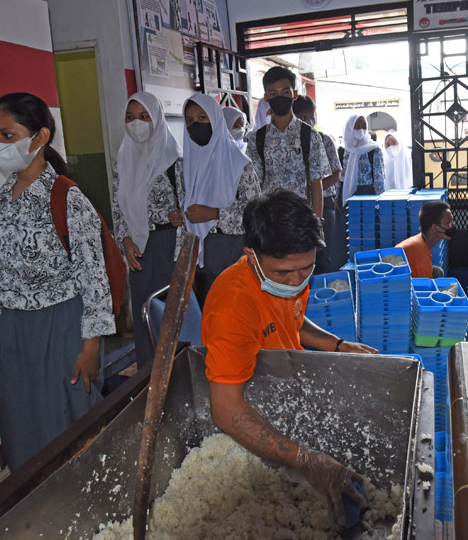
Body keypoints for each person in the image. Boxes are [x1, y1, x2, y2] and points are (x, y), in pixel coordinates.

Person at [0, 92, 115, 471]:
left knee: (67, 423)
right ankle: (34, 505)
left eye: (8, 135)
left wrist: (90, 347)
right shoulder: (0, 203)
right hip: (14, 335)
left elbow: (95, 281)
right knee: (23, 425)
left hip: (61, 328)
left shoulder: (66, 198)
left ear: (39, 137)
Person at [201, 190, 378, 524]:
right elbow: (226, 411)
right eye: (284, 273)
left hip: (290, 390)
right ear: (252, 256)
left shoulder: (287, 277)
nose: (296, 281)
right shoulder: (233, 306)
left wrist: (338, 345)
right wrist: (309, 462)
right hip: (255, 418)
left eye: (306, 268)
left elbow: (294, 317)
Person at [112, 91, 183, 369]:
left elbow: (189, 209)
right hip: (139, 249)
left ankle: (176, 372)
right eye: (130, 117)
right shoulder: (122, 162)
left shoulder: (174, 161)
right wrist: (125, 241)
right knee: (144, 316)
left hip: (169, 246)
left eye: (144, 117)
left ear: (156, 120)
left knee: (171, 313)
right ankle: (147, 379)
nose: (136, 123)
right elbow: (118, 209)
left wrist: (179, 248)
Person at [183, 94, 261, 305]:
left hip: (234, 245)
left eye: (202, 117)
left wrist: (215, 214)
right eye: (189, 121)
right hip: (201, 249)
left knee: (239, 307)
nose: (196, 124)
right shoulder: (187, 165)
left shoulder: (239, 163)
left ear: (216, 120)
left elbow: (255, 213)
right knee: (212, 310)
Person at [246, 66, 327, 218]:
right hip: (269, 223)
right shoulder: (256, 139)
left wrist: (319, 224)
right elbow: (254, 185)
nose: (279, 97)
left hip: (303, 222)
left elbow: (317, 183)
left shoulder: (309, 135)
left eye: (285, 92)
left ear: (294, 94)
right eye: (273, 93)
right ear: (266, 97)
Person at [293, 94, 342, 273]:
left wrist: (314, 191)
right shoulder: (288, 142)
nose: (307, 120)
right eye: (302, 117)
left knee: (323, 257)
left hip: (324, 204)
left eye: (310, 116)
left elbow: (336, 174)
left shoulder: (324, 139)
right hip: (297, 207)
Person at [396, 200, 455, 278]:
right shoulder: (420, 254)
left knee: (437, 271)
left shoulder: (419, 241)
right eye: (448, 223)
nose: (452, 226)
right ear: (435, 227)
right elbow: (424, 288)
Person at [340, 114, 385, 204]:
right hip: (346, 193)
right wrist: (337, 197)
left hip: (368, 194)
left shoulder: (374, 149)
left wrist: (380, 200)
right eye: (357, 126)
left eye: (364, 126)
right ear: (350, 127)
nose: (361, 129)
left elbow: (379, 179)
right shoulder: (342, 150)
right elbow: (339, 176)